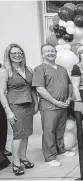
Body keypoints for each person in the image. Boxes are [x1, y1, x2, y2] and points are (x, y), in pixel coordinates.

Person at [32, 44, 75, 167]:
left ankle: (61, 150)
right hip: (49, 106)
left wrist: (68, 98)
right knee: (49, 131)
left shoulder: (62, 68)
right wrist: (55, 101)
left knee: (60, 130)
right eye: (47, 51)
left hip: (63, 105)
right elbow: (40, 89)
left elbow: (69, 84)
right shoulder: (40, 69)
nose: (50, 53)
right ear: (42, 54)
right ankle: (50, 157)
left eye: (52, 51)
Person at [0, 44, 38, 175]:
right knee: (18, 135)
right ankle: (16, 161)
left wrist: (36, 103)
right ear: (8, 56)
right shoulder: (5, 71)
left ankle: (23, 157)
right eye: (14, 53)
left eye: (20, 53)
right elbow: (1, 92)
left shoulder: (28, 69)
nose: (17, 55)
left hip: (29, 105)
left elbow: (32, 88)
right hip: (15, 106)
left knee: (26, 133)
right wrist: (8, 111)